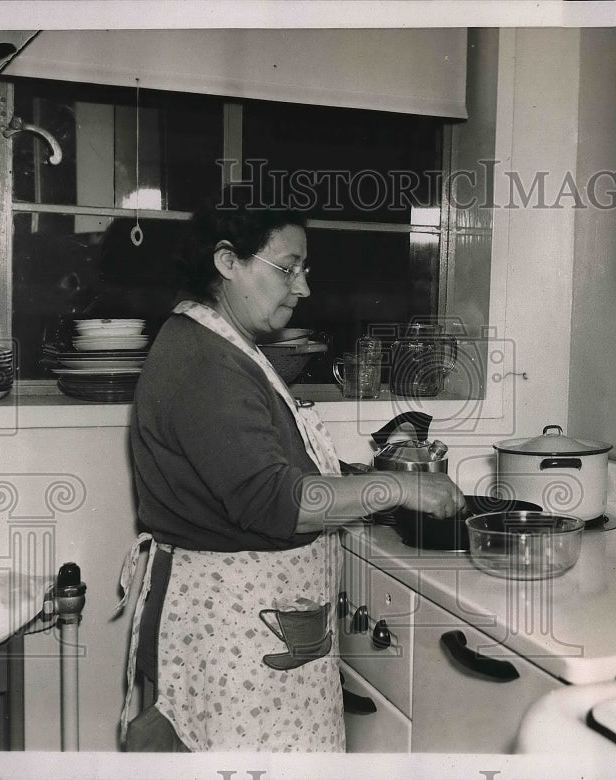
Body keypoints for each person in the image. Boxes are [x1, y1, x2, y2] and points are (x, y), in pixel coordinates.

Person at [116, 189, 464, 752]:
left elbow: (268, 464)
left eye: (305, 269)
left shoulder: (225, 345)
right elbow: (277, 501)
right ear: (227, 263)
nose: (303, 288)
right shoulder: (206, 363)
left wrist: (361, 477)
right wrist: (398, 485)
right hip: (225, 629)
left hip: (247, 620)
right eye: (288, 268)